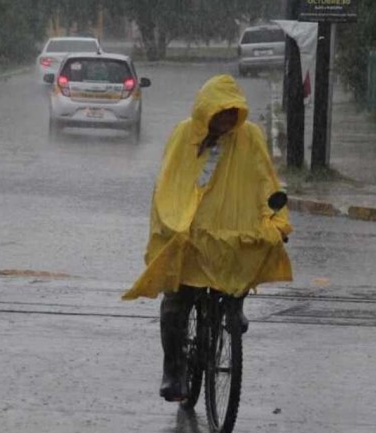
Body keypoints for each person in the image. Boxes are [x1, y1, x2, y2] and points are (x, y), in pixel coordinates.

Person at [122, 74, 293, 402]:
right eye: (221, 112)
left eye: (233, 113)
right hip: (190, 234)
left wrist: (277, 220)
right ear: (206, 112)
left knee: (246, 257)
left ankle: (234, 305)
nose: (227, 120)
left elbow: (266, 183)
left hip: (230, 233)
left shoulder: (250, 137)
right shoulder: (184, 135)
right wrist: (172, 223)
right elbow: (168, 183)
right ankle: (173, 369)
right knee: (175, 303)